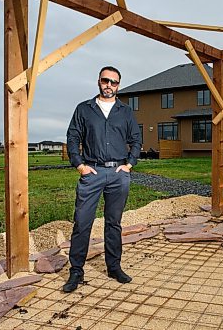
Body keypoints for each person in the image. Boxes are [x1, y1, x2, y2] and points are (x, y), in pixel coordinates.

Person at [63, 66, 141, 293]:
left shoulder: (125, 112)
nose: (109, 85)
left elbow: (136, 139)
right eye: (106, 80)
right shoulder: (84, 109)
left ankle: (114, 267)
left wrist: (129, 164)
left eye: (114, 82)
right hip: (92, 173)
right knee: (82, 223)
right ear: (98, 81)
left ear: (118, 85)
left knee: (113, 223)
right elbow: (72, 137)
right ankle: (76, 271)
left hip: (118, 174)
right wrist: (79, 165)